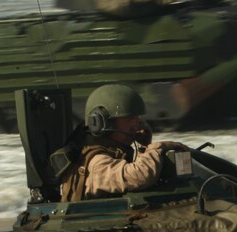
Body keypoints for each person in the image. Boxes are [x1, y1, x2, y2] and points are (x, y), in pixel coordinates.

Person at [60, 84, 189, 202]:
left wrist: (144, 147)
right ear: (101, 123)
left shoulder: (110, 151)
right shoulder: (96, 162)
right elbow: (139, 176)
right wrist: (156, 149)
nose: (136, 125)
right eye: (129, 119)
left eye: (136, 119)